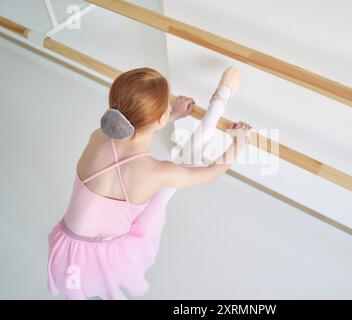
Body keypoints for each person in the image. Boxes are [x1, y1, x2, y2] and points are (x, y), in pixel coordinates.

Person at [47, 66, 252, 299]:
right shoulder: (154, 172)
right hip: (105, 259)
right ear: (160, 119)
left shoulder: (98, 137)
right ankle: (221, 98)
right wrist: (238, 144)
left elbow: (133, 129)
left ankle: (220, 98)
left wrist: (171, 115)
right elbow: (211, 172)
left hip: (66, 249)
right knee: (171, 183)